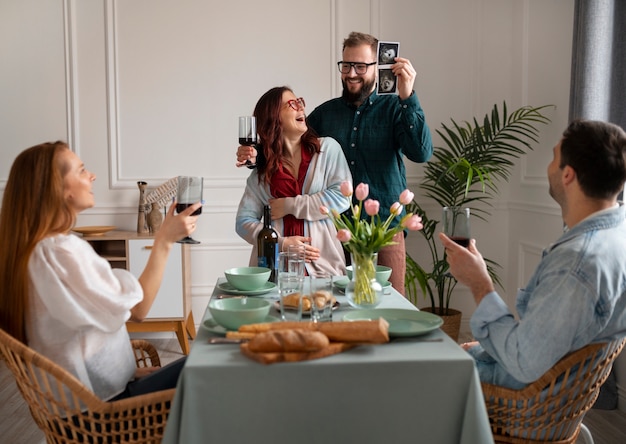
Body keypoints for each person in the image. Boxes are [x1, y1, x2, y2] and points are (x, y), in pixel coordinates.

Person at [0, 141, 201, 401]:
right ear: (58, 190)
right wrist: (164, 240)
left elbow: (68, 341)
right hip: (107, 414)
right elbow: (138, 309)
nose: (92, 176)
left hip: (81, 405)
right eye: (82, 170)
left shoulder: (33, 251)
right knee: (217, 362)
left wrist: (129, 373)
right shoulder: (61, 251)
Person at [237, 32, 433, 294]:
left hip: (384, 228)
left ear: (378, 67)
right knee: (345, 304)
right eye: (346, 65)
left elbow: (421, 152)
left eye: (361, 66)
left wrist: (407, 96)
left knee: (390, 303)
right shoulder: (325, 114)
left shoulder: (395, 108)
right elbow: (288, 143)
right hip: (338, 230)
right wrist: (253, 156)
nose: (352, 73)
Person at [439, 120, 626, 389]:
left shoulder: (575, 265)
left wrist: (479, 283)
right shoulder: (616, 237)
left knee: (410, 367)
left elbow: (522, 361)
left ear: (567, 175)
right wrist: (487, 348)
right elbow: (551, 340)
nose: (549, 166)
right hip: (549, 386)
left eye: (554, 158)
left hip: (521, 406)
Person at [235, 86, 351, 276]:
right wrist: (282, 244)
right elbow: (243, 222)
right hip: (274, 274)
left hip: (324, 269)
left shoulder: (327, 150)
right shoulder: (262, 171)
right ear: (274, 117)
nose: (301, 108)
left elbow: (342, 197)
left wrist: (291, 205)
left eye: (300, 102)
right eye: (292, 104)